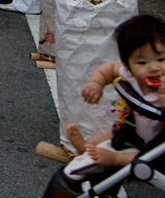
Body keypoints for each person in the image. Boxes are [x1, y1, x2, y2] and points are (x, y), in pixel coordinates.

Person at [44, 15, 165, 198]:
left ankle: (113, 159)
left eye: (162, 60)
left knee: (112, 152)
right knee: (115, 132)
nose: (154, 67)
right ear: (129, 65)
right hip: (136, 137)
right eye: (142, 62)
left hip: (158, 152)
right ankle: (88, 148)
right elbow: (108, 68)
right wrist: (96, 83)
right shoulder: (129, 74)